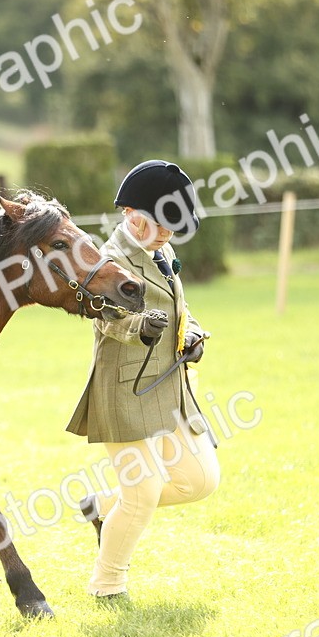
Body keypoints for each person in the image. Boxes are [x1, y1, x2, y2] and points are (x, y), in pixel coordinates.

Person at [66, 159, 221, 599]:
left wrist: (190, 334)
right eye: (164, 227)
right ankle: (107, 586)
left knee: (200, 480)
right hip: (126, 388)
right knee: (143, 491)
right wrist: (140, 328)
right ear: (134, 218)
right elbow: (107, 318)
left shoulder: (163, 252)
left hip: (170, 385)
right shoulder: (107, 261)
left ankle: (100, 508)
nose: (171, 236)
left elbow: (178, 308)